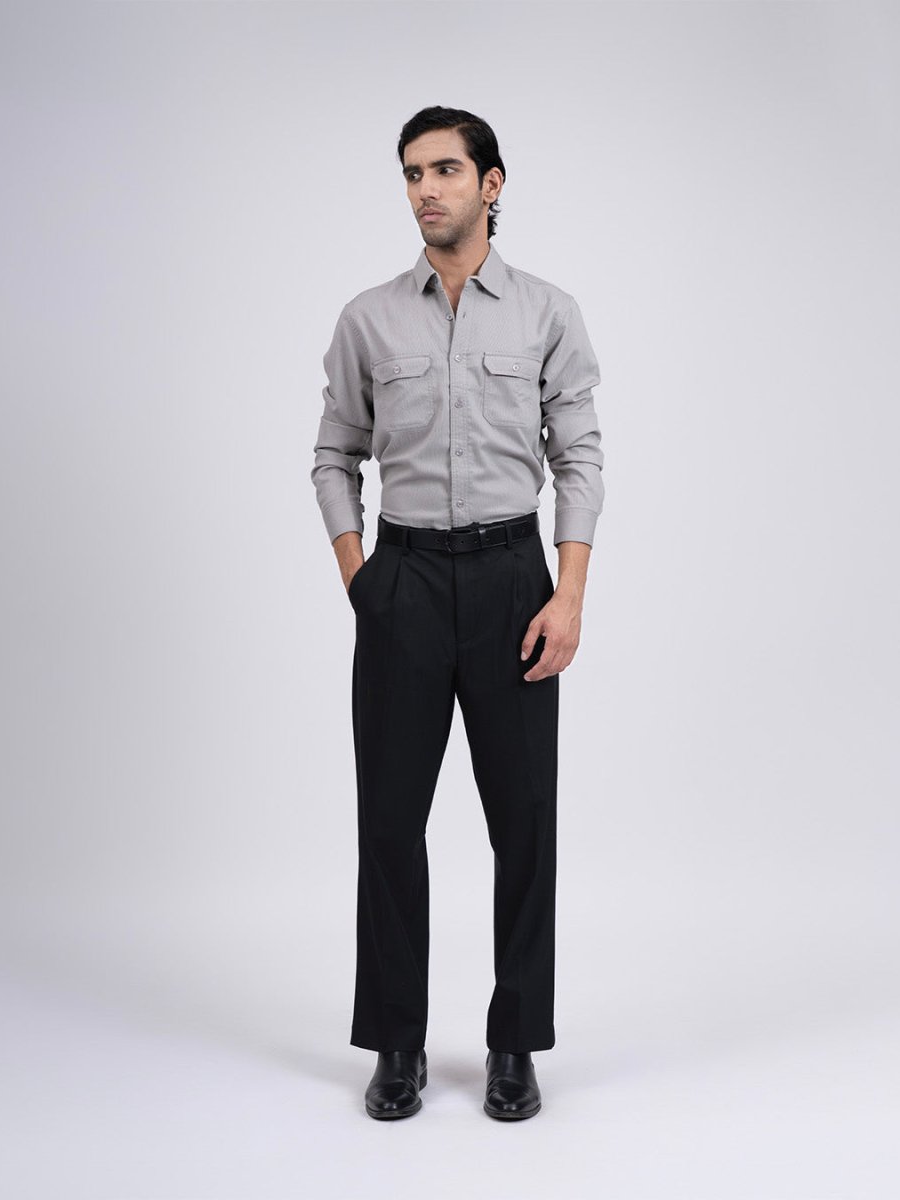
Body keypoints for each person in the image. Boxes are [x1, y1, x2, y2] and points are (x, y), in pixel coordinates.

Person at [311, 105, 605, 1121]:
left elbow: (579, 457)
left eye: (444, 169)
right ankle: (397, 1043)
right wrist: (362, 579)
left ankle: (514, 1041)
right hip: (402, 583)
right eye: (411, 173)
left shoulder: (547, 313)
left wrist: (567, 593)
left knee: (524, 824)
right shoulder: (368, 319)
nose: (425, 189)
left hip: (511, 580)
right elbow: (333, 454)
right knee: (390, 823)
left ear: (491, 183)